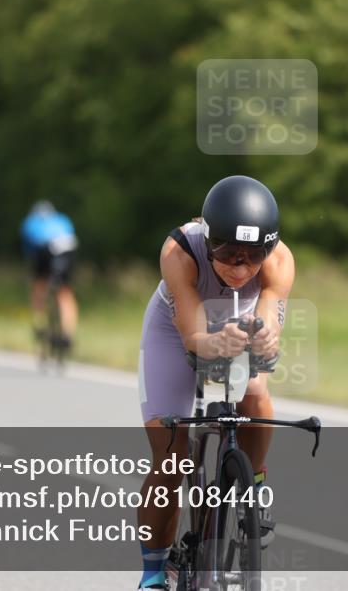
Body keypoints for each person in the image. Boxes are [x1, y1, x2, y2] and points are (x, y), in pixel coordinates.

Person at [135, 175, 294, 589]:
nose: (241, 267)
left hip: (240, 322)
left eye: (253, 256)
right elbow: (194, 338)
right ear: (209, 242)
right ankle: (153, 573)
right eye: (228, 254)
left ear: (269, 248)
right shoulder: (180, 252)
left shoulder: (279, 261)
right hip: (178, 332)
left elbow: (270, 330)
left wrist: (265, 338)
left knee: (255, 395)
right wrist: (212, 341)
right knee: (172, 456)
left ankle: (252, 481)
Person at [20, 200, 79, 347]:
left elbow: (29, 251)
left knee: (39, 285)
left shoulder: (30, 222)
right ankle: (67, 334)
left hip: (45, 250)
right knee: (65, 292)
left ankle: (39, 323)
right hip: (68, 249)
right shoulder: (62, 218)